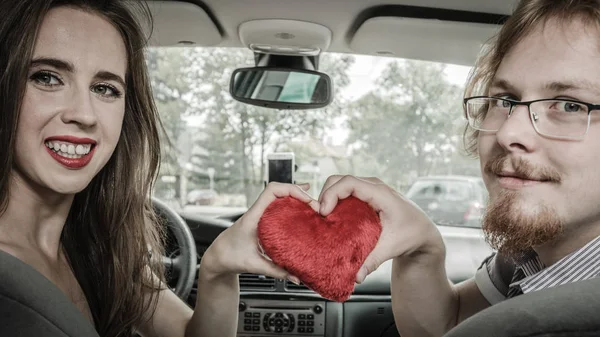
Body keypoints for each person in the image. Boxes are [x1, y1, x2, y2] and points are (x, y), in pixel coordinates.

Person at [0, 1, 312, 337]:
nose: (84, 114)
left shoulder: (102, 248)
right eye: (46, 77)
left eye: (105, 88)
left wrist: (218, 268)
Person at [317, 0, 600, 336]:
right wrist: (423, 246)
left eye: (569, 105)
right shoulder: (528, 251)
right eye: (504, 100)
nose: (509, 132)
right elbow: (450, 324)